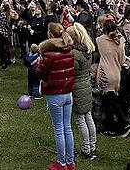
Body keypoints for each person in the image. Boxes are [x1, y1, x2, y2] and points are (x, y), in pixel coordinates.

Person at [35, 22, 76, 170]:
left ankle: (62, 162)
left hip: (55, 94)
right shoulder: (70, 51)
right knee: (67, 127)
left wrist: (38, 64)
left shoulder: (48, 55)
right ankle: (70, 161)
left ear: (50, 35)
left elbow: (39, 73)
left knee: (59, 129)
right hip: (67, 93)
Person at [96, 15, 130, 137]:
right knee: (112, 100)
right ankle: (116, 125)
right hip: (116, 73)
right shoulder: (120, 42)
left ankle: (120, 124)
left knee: (108, 103)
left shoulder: (100, 40)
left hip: (105, 73)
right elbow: (122, 61)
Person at [66, 24, 97, 160]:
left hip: (78, 86)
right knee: (88, 117)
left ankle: (86, 149)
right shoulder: (88, 49)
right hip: (86, 84)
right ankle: (92, 146)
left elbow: (72, 71)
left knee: (80, 119)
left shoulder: (75, 54)